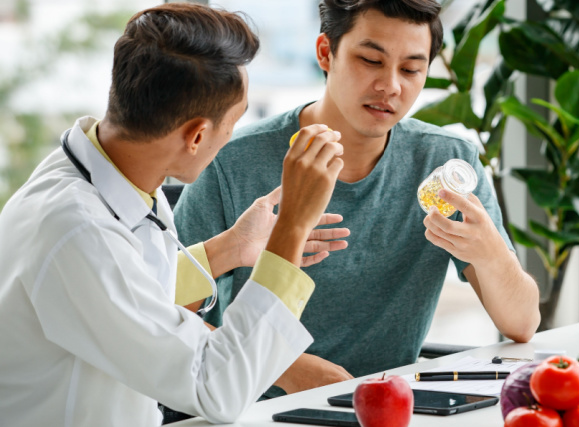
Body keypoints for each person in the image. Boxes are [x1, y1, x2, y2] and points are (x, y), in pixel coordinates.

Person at [0, 3, 347, 426]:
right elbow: (214, 388)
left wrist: (229, 249)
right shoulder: (75, 229)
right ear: (197, 135)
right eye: (233, 122)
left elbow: (128, 291)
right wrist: (292, 226)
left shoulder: (106, 170)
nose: (232, 135)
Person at [175, 0, 541, 399]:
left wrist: (490, 252)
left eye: (411, 69)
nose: (391, 87)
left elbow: (522, 324)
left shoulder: (445, 164)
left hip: (391, 409)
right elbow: (165, 310)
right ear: (325, 53)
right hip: (254, 408)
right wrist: (286, 367)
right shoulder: (233, 161)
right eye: (370, 60)